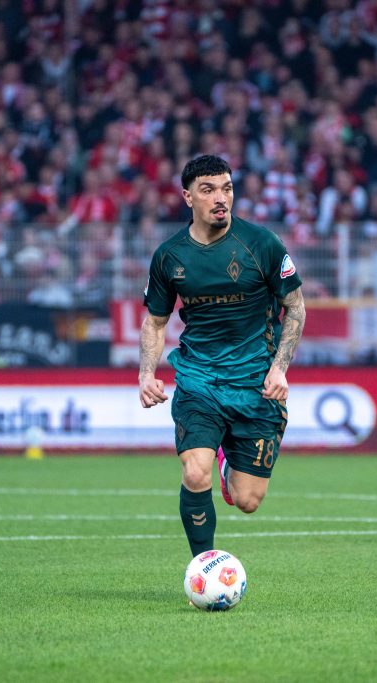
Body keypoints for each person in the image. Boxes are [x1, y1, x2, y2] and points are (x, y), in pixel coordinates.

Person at [138, 154, 306, 558]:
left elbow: (296, 307)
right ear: (188, 197)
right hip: (199, 380)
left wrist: (280, 368)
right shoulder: (169, 256)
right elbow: (156, 322)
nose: (220, 198)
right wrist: (146, 374)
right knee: (195, 472)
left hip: (255, 385)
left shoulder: (262, 244)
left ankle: (228, 460)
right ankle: (204, 566)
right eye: (208, 190)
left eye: (227, 188)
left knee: (247, 499)